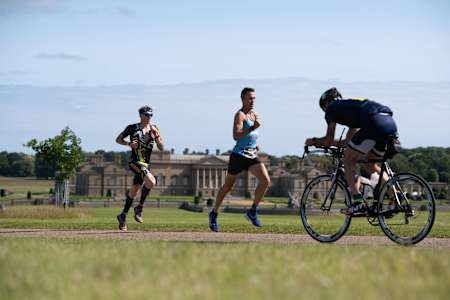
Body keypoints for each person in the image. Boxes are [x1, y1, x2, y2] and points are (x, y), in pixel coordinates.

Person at [305, 87, 398, 215]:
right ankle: (395, 196)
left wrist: (313, 141)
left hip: (374, 123)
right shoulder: (350, 109)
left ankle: (358, 203)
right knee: (369, 164)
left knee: (347, 160)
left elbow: (328, 140)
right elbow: (348, 143)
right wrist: (327, 143)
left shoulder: (332, 108)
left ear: (326, 104)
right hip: (388, 121)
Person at [208, 87, 271, 232]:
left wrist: (256, 144)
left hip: (252, 155)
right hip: (239, 155)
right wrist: (252, 127)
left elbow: (253, 135)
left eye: (254, 98)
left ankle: (252, 211)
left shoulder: (254, 114)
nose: (253, 100)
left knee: (266, 181)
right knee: (228, 186)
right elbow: (236, 136)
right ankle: (214, 213)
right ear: (243, 99)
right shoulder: (240, 115)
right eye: (250, 98)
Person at [115, 106, 164, 231]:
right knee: (152, 181)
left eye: (151, 115)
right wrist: (128, 144)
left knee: (134, 190)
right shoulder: (132, 128)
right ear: (141, 115)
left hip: (145, 164)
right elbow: (118, 139)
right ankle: (139, 207)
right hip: (134, 162)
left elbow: (162, 148)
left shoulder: (154, 129)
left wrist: (157, 137)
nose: (149, 118)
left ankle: (123, 216)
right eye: (147, 115)